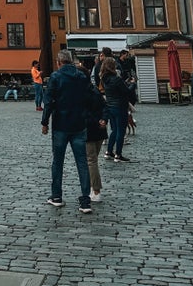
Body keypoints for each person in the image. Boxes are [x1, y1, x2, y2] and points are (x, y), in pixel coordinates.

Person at [41, 49, 95, 213]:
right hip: (79, 124)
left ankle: (56, 196)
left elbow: (49, 101)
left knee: (58, 161)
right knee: (82, 162)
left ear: (58, 62)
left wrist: (45, 122)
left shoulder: (56, 77)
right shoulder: (82, 76)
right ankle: (85, 200)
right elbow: (91, 98)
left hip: (61, 124)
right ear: (71, 61)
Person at [77, 60, 107, 202]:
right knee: (93, 160)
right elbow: (104, 107)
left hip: (89, 130)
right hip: (100, 130)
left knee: (91, 161)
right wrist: (104, 119)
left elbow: (84, 113)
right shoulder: (95, 90)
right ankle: (91, 188)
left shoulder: (82, 94)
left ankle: (96, 191)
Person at [100, 57, 133, 163]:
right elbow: (126, 91)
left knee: (114, 130)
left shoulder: (104, 79)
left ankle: (109, 151)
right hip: (120, 106)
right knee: (121, 131)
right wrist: (133, 84)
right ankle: (118, 154)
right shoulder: (116, 79)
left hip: (110, 106)